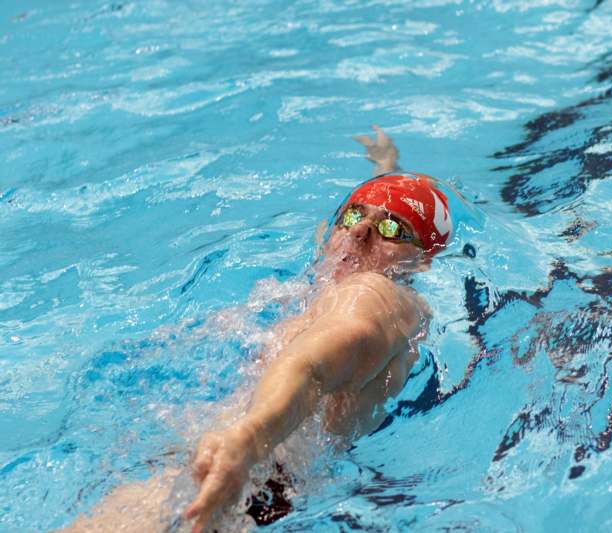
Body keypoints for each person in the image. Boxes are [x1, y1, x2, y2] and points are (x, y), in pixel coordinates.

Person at [60, 125, 453, 533]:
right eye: (353, 216)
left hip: (249, 484)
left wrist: (248, 439)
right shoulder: (336, 277)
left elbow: (317, 360)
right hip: (234, 467)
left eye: (392, 229)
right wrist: (387, 165)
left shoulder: (376, 294)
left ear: (422, 262)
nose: (359, 232)